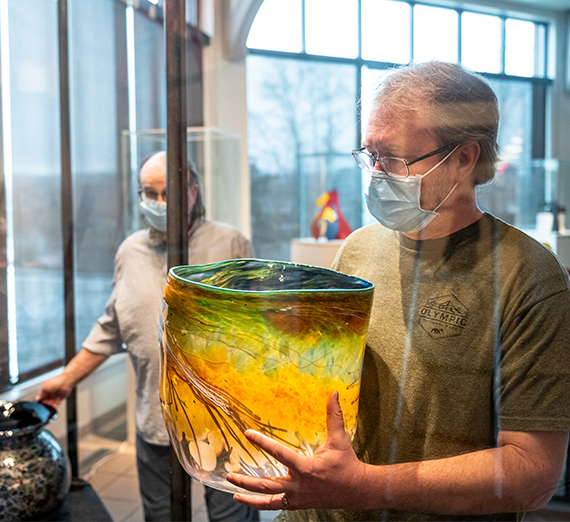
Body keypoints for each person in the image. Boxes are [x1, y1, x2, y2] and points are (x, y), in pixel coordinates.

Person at [225, 62, 570, 521]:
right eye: (369, 154)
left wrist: (368, 486)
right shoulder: (360, 248)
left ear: (464, 158)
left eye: (393, 158)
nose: (376, 174)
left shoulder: (527, 276)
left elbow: (533, 473)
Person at [38, 151, 259, 522]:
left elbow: (258, 331)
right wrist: (65, 380)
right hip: (156, 422)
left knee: (232, 516)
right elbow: (111, 328)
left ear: (191, 193)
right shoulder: (130, 251)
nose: (158, 203)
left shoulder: (230, 245)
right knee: (161, 515)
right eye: (149, 193)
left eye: (167, 193)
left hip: (222, 423)